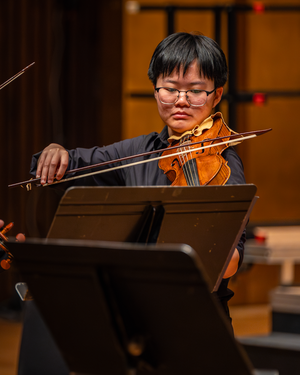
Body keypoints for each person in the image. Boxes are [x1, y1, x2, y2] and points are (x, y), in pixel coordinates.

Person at [23, 32, 246, 374]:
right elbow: (75, 165)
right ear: (156, 89)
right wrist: (55, 153)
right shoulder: (138, 151)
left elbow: (229, 263)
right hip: (136, 322)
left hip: (197, 324)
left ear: (216, 95)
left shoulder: (225, 163)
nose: (181, 100)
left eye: (196, 90)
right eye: (170, 88)